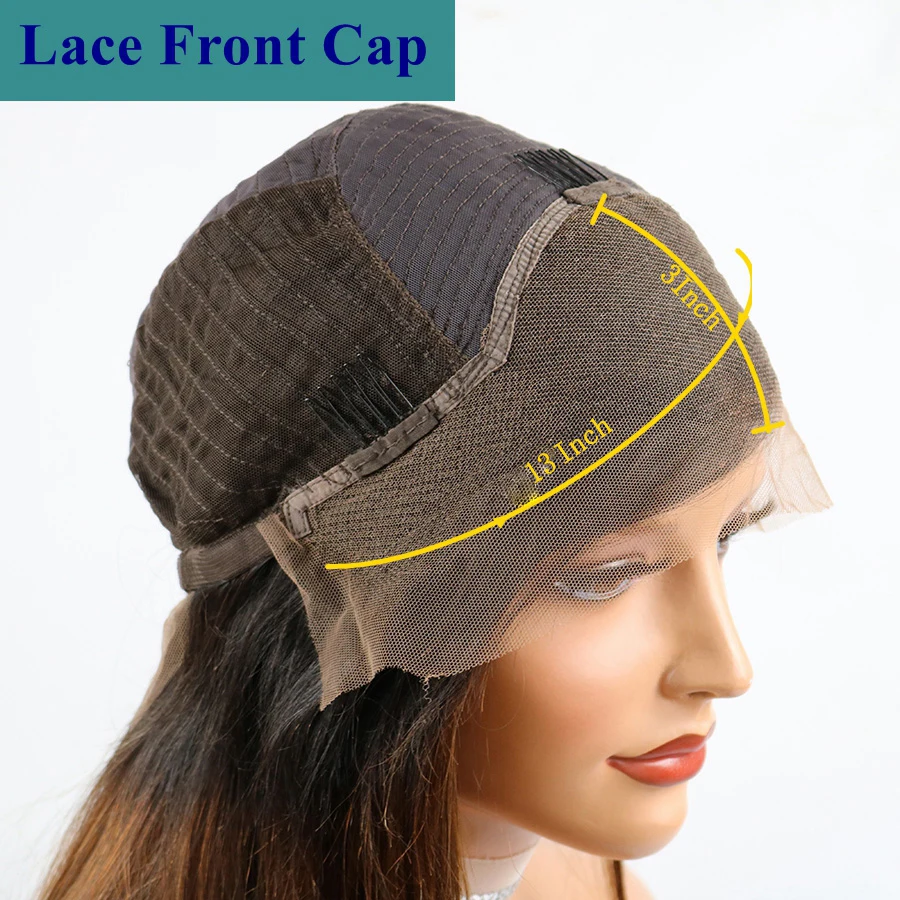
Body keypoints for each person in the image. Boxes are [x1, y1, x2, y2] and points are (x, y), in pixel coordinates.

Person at [34, 103, 830, 900]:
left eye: (723, 537)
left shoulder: (580, 877)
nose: (727, 668)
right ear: (336, 631)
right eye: (604, 576)